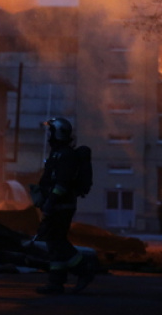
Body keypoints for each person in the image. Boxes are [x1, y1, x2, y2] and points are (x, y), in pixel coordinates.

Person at [33, 117, 95, 295]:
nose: (48, 135)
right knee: (53, 242)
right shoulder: (57, 153)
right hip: (55, 204)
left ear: (58, 133)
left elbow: (62, 183)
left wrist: (51, 201)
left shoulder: (66, 155)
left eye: (51, 131)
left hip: (61, 206)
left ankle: (84, 269)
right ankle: (56, 282)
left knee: (57, 241)